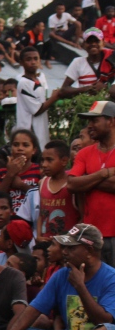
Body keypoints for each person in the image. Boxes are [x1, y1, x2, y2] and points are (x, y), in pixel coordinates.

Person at [0, 224, 115, 330]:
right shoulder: (61, 275)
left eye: (71, 248)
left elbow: (103, 321)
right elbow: (32, 311)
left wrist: (80, 287)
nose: (65, 252)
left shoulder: (111, 278)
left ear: (89, 251)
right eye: (64, 247)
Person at [67, 100, 115, 265]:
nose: (89, 125)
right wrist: (104, 173)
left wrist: (87, 178)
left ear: (111, 121)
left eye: (95, 120)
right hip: (91, 236)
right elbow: (72, 185)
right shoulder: (84, 153)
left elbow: (78, 182)